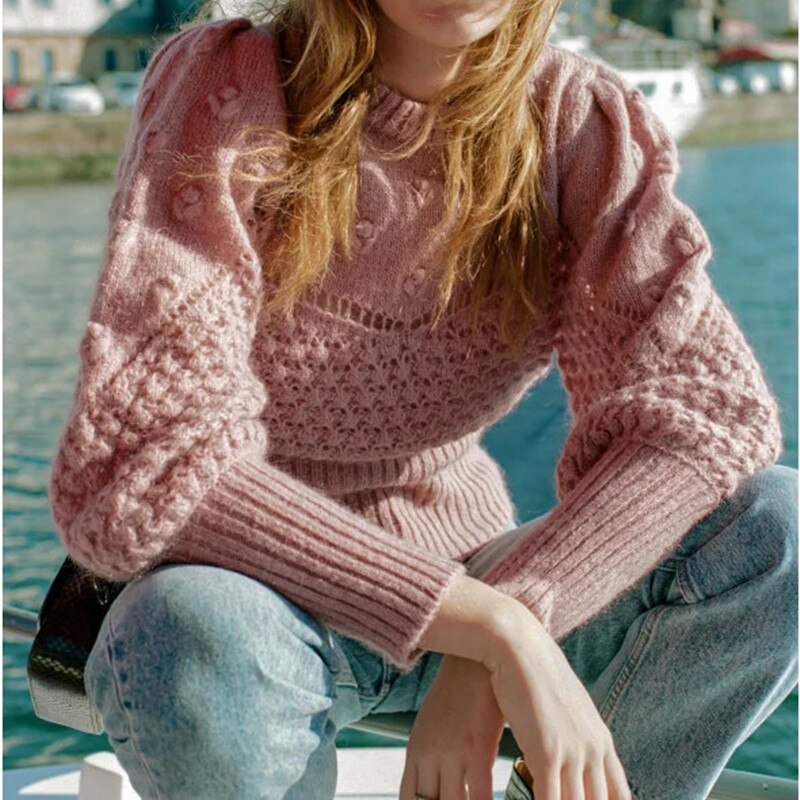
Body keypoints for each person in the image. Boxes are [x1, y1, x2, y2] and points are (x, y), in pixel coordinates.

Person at [47, 1, 797, 798]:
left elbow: (709, 414)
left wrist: (513, 615)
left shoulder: (574, 118)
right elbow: (142, 455)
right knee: (181, 629)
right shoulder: (230, 84)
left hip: (474, 567)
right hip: (251, 602)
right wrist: (492, 629)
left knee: (777, 532)